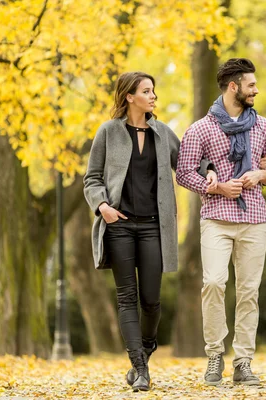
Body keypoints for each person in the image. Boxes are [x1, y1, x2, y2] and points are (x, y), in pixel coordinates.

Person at [83, 72, 215, 392]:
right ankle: (140, 368)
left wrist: (208, 170)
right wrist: (102, 207)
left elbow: (188, 162)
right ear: (130, 97)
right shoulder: (108, 132)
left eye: (153, 91)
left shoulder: (162, 133)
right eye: (147, 91)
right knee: (127, 297)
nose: (153, 96)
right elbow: (92, 179)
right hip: (120, 226)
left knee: (152, 301)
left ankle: (146, 347)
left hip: (154, 226)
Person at [175, 58, 266, 386]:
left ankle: (244, 361)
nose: (256, 90)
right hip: (216, 220)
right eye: (251, 85)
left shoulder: (263, 126)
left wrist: (260, 174)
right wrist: (218, 186)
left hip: (253, 219)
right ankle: (213, 356)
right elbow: (183, 172)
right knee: (214, 283)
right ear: (233, 87)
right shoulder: (200, 129)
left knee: (249, 291)